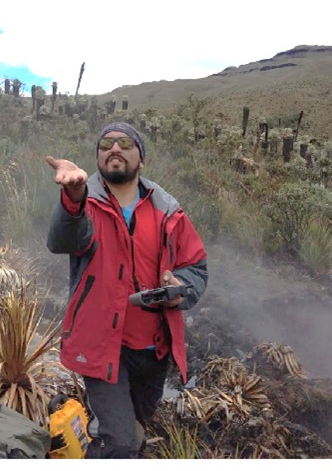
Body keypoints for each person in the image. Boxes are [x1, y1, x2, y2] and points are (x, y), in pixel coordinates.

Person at [45, 122, 209, 458]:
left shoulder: (167, 209)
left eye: (125, 143)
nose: (114, 149)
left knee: (133, 430)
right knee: (118, 442)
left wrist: (183, 288)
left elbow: (196, 266)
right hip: (104, 346)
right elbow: (61, 241)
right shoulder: (84, 201)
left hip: (155, 348)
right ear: (98, 157)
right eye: (106, 144)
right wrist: (73, 200)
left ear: (141, 159)